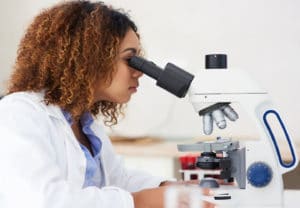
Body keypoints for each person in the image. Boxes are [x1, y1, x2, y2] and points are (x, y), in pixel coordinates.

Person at [0, 1, 230, 208]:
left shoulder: (86, 125)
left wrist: (167, 187)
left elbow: (118, 180)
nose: (139, 72)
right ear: (89, 59)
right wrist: (140, 201)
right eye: (130, 59)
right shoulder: (19, 114)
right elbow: (42, 201)